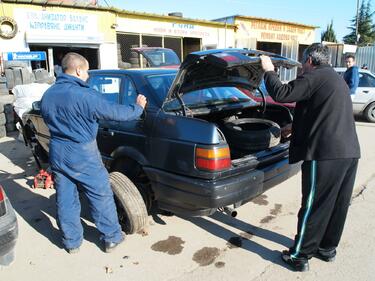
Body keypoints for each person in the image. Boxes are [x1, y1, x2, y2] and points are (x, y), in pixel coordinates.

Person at [260, 43, 361, 272]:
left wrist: (268, 70)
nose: (302, 68)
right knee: (336, 204)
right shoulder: (332, 78)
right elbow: (321, 114)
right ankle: (326, 249)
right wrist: (294, 127)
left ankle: (299, 256)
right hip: (349, 152)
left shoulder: (314, 76)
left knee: (313, 205)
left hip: (325, 154)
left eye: (303, 62)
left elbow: (282, 93)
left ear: (309, 60)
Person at [40, 52, 147, 254]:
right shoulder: (84, 95)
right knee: (100, 194)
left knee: (65, 197)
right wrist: (138, 107)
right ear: (79, 70)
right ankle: (112, 237)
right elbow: (117, 113)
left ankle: (71, 242)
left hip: (58, 151)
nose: (88, 76)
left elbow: (46, 118)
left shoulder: (49, 94)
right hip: (82, 153)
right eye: (87, 71)